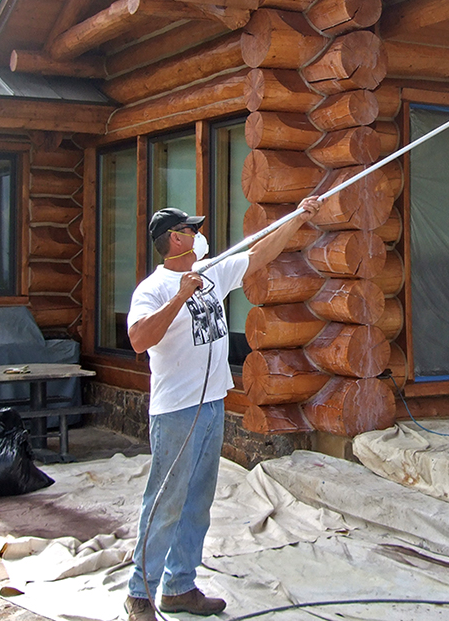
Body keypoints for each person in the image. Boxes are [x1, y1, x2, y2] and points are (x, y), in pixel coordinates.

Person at [124, 197, 321, 621]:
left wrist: (301, 217)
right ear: (175, 239)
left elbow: (258, 255)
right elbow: (140, 339)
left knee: (197, 500)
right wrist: (179, 298)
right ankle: (139, 595)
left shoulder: (210, 273)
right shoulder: (153, 288)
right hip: (176, 411)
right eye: (192, 231)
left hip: (211, 404)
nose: (199, 236)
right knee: (166, 501)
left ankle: (179, 586)